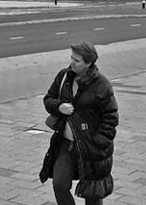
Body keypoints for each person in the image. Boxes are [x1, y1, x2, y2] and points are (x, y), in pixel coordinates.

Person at [39, 42, 118, 205]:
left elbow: (110, 117)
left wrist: (99, 142)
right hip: (66, 145)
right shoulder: (64, 77)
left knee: (93, 194)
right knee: (59, 184)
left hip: (92, 149)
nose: (72, 63)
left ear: (89, 63)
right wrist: (59, 107)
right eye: (71, 58)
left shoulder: (101, 85)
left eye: (77, 60)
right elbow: (49, 99)